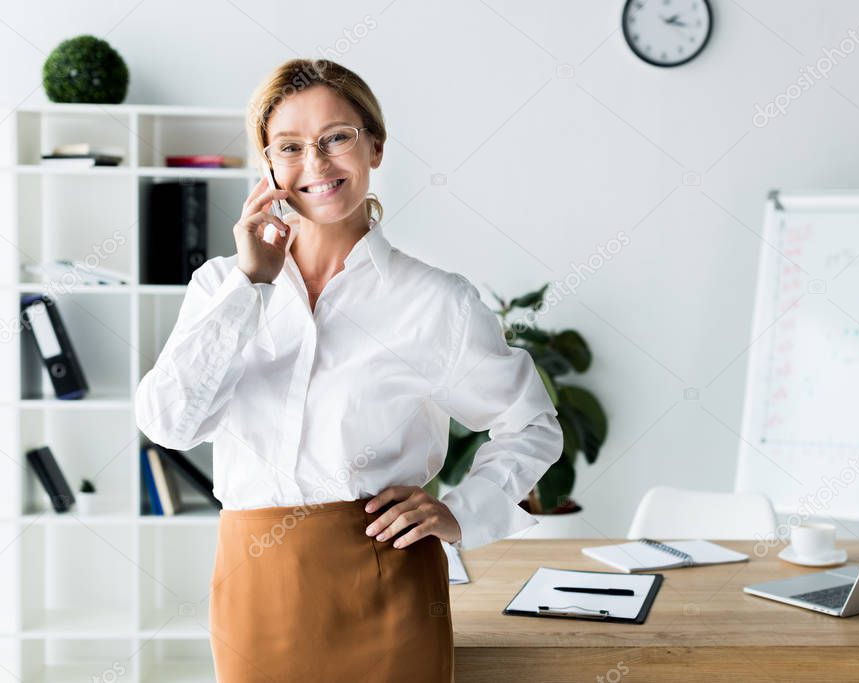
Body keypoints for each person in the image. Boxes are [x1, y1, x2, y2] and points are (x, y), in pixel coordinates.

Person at [134, 58, 563, 682]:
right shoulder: (221, 287)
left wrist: (462, 511)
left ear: (375, 146)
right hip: (255, 587)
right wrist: (250, 284)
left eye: (337, 137)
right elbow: (171, 425)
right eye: (291, 146)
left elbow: (531, 425)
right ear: (269, 166)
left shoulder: (436, 301)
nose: (317, 163)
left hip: (390, 588)